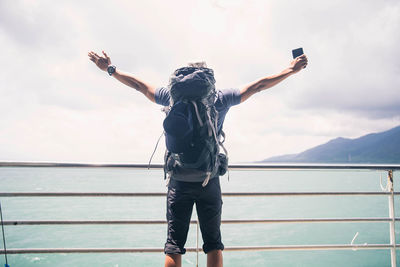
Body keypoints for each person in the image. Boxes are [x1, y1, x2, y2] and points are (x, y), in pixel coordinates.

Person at [88, 51, 308, 267]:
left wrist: (110, 69)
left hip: (178, 181)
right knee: (213, 244)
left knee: (174, 245)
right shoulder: (219, 99)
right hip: (208, 180)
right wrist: (290, 70)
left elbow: (140, 86)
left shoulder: (170, 97)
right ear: (208, 80)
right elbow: (258, 86)